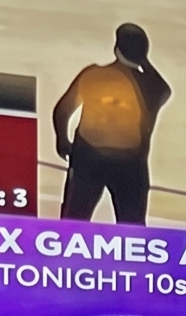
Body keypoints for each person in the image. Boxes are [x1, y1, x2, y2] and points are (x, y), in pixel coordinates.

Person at [51, 22, 169, 224]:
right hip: (130, 163)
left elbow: (62, 110)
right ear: (143, 54)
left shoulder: (93, 75)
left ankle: (65, 254)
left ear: (117, 48)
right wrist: (145, 62)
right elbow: (164, 88)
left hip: (88, 158)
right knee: (132, 226)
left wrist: (62, 140)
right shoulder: (152, 87)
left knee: (74, 220)